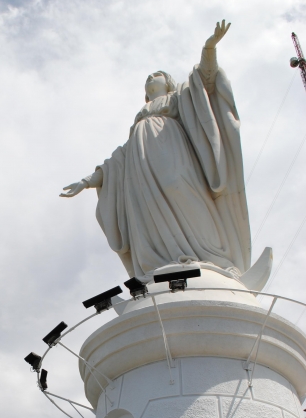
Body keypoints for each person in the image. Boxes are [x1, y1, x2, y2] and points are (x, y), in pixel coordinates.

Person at [60, 20, 252, 284]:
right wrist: (87, 181)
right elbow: (118, 159)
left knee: (180, 188)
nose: (151, 78)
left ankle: (213, 256)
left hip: (172, 149)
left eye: (156, 75)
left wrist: (209, 48)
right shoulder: (139, 122)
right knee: (145, 209)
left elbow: (204, 82)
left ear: (167, 83)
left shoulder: (177, 99)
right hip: (141, 165)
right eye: (148, 78)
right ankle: (163, 262)